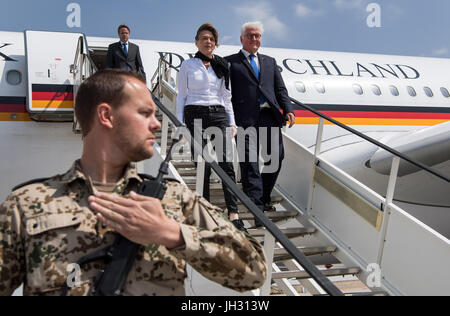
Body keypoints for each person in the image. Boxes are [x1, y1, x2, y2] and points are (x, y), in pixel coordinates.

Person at [0, 69, 266, 296]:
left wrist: (172, 233)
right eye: (144, 113)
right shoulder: (26, 204)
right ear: (106, 115)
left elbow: (254, 271)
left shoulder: (175, 199)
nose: (157, 124)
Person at [176, 23, 247, 233]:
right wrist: (180, 125)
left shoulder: (223, 65)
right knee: (203, 165)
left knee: (227, 164)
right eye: (204, 38)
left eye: (212, 39)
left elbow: (227, 97)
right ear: (196, 42)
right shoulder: (188, 65)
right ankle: (205, 211)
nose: (208, 42)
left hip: (218, 114)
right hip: (194, 114)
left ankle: (233, 212)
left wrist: (232, 122)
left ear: (216, 44)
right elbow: (181, 96)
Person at [225, 22, 296, 224]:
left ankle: (263, 198)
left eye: (257, 36)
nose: (254, 39)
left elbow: (280, 89)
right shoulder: (230, 62)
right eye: (250, 35)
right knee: (250, 164)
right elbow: (225, 92)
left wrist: (288, 110)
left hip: (269, 117)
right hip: (244, 119)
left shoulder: (269, 62)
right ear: (241, 39)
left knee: (276, 158)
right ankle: (257, 212)